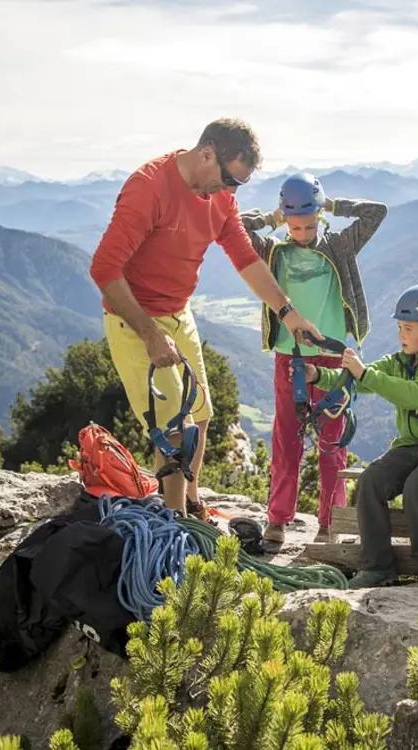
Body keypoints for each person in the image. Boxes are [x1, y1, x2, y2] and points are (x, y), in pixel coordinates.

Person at [89, 118, 321, 520]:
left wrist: (287, 312)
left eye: (239, 185)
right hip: (135, 319)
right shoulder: (149, 187)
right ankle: (175, 523)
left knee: (201, 414)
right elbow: (105, 270)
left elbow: (246, 259)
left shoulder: (221, 199)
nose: (231, 191)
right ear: (207, 152)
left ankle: (191, 503)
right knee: (174, 427)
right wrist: (150, 335)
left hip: (179, 312)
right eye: (229, 179)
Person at [240, 173, 388, 545]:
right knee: (286, 440)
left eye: (309, 225)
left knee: (332, 444)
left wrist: (334, 205)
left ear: (321, 217)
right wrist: (271, 219)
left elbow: (376, 213)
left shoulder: (340, 246)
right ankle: (278, 519)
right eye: (295, 226)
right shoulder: (274, 249)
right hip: (289, 358)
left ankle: (329, 524)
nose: (303, 234)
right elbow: (234, 228)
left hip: (332, 359)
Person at [307, 283, 418, 587]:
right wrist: (318, 376)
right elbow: (358, 381)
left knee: (416, 486)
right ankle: (378, 567)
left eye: (408, 328)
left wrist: (364, 373)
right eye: (400, 328)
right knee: (371, 481)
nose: (401, 335)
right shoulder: (399, 362)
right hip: (410, 448)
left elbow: (415, 395)